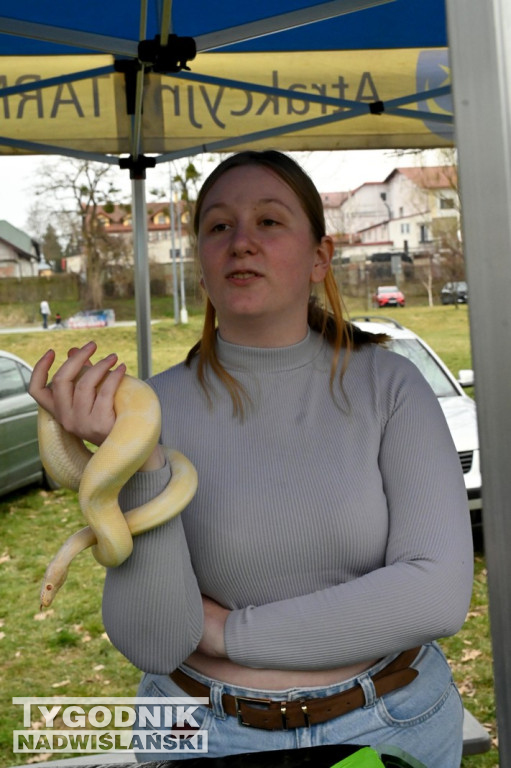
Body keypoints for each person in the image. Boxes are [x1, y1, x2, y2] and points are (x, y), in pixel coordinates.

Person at [29, 151, 474, 767]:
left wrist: (223, 634)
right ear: (202, 264)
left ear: (320, 257)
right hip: (197, 732)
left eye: (269, 222)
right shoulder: (146, 414)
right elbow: (157, 640)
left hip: (390, 726)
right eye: (218, 226)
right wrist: (147, 459)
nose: (241, 242)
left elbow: (437, 594)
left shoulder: (390, 386)